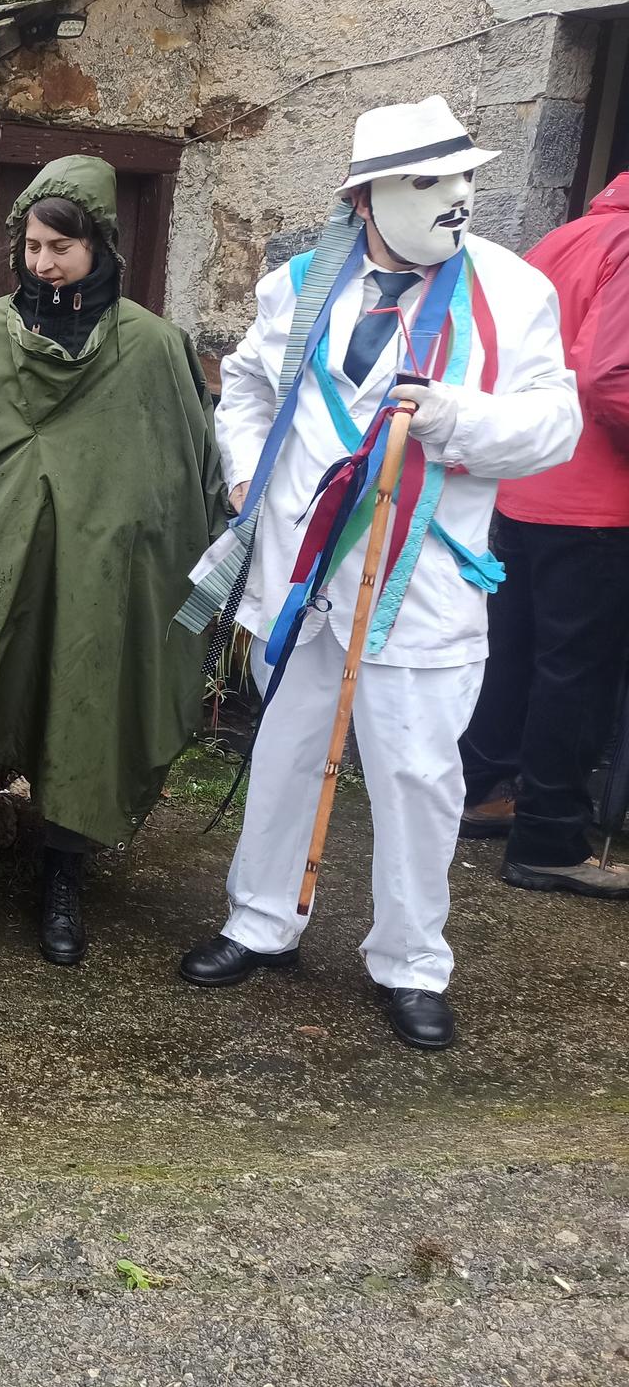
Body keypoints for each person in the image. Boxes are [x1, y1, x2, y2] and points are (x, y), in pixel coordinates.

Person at [180, 96, 581, 1050]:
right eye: (425, 183)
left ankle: (411, 960)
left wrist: (450, 417)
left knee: (418, 775)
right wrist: (244, 472)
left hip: (423, 583)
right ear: (364, 198)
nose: (455, 200)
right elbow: (244, 383)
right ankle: (262, 921)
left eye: (463, 179)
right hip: (304, 576)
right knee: (282, 752)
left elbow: (553, 427)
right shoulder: (299, 286)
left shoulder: (515, 293)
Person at [0, 155, 224, 965]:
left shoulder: (152, 348)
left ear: (99, 244)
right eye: (33, 246)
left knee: (87, 697)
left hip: (97, 573)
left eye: (62, 248)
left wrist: (139, 539)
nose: (43, 263)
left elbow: (183, 476)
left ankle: (64, 876)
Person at [458, 172, 629, 900]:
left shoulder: (567, 234)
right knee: (576, 673)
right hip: (595, 497)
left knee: (514, 652)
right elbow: (613, 376)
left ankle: (477, 789)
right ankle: (550, 838)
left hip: (525, 484)